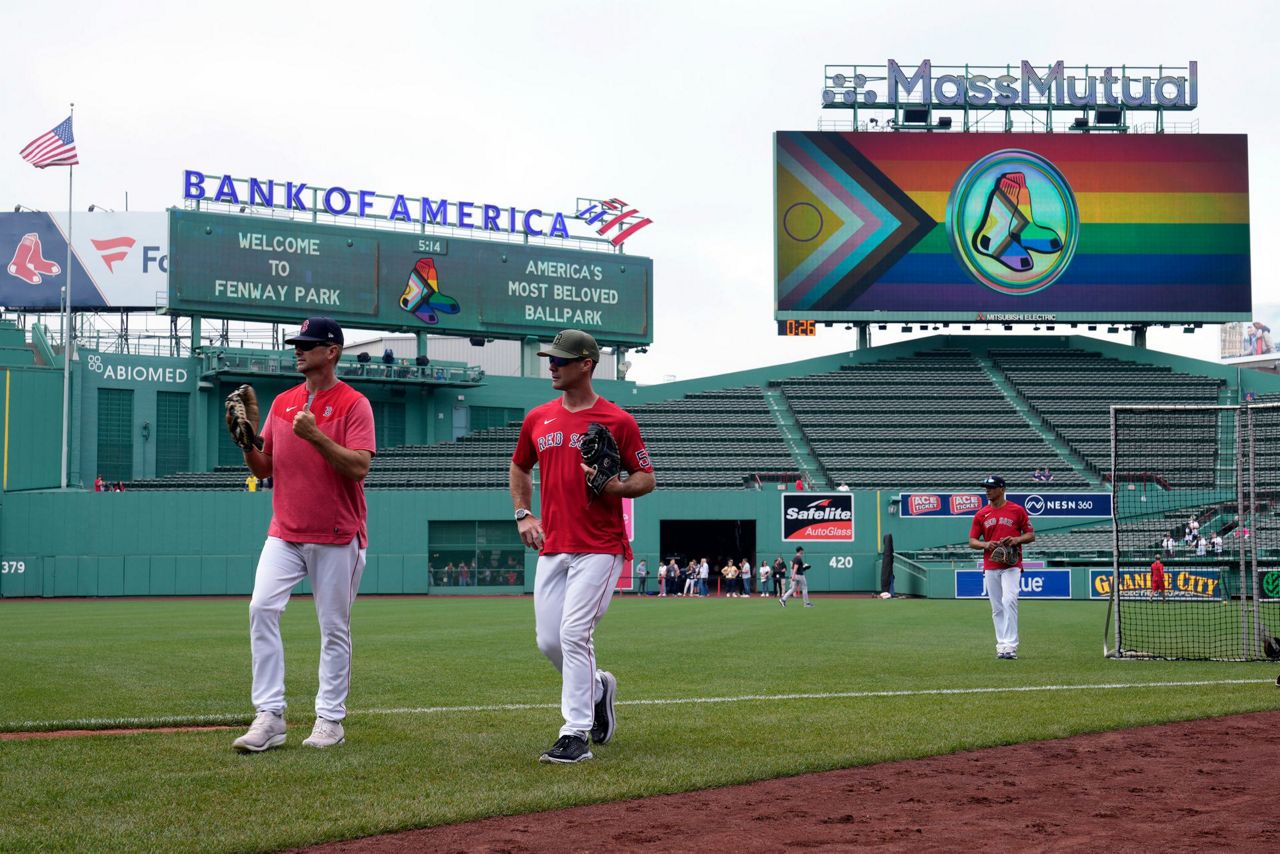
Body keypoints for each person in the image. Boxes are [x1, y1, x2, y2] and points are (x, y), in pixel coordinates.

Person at [509, 329, 656, 765]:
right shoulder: (538, 418)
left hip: (599, 545)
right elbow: (519, 467)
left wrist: (619, 485)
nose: (551, 366)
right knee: (548, 641)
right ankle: (597, 689)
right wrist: (523, 513)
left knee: (573, 634)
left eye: (560, 360)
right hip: (553, 545)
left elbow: (647, 478)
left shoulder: (618, 420)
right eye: (550, 359)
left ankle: (575, 733)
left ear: (586, 364)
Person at [230, 317, 376, 753]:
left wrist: (315, 436)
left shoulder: (354, 404)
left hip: (336, 533)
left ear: (331, 352)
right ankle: (270, 716)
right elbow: (265, 468)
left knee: (333, 628)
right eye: (297, 343)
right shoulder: (283, 402)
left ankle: (330, 720)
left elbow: (359, 467)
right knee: (261, 608)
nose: (299, 349)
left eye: (308, 344)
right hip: (286, 531)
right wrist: (246, 443)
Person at [968, 475, 1036, 660]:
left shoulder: (1016, 510)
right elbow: (972, 541)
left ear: (1002, 489)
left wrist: (1016, 539)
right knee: (997, 607)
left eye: (991, 487)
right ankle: (1002, 646)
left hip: (1012, 564)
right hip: (991, 564)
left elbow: (1030, 535)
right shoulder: (981, 514)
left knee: (1010, 600)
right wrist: (985, 544)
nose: (987, 490)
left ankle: (1011, 645)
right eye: (986, 487)